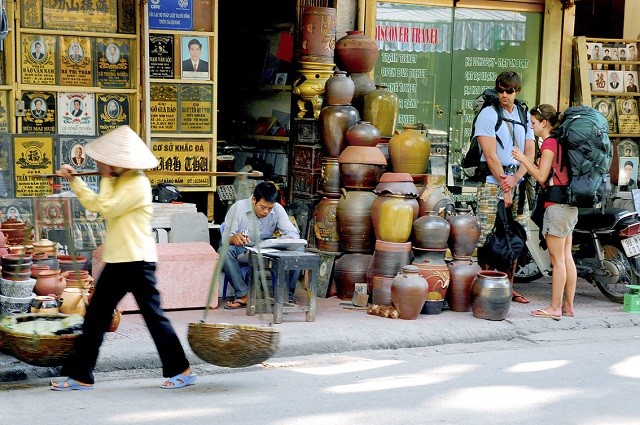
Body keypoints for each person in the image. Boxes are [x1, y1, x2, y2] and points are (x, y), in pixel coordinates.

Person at [50, 125, 195, 391]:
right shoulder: (120, 181)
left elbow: (103, 207)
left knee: (153, 316)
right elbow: (97, 204)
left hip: (137, 261)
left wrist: (103, 177)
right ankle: (81, 375)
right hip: (119, 260)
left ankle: (181, 369)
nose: (102, 164)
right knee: (95, 316)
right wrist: (76, 180)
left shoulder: (137, 183)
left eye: (106, 161)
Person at [473, 70, 535, 304]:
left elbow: (529, 152)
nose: (504, 95)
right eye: (500, 90)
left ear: (517, 90)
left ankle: (508, 286)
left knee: (517, 232)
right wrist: (505, 185)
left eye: (509, 90)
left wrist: (517, 178)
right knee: (487, 234)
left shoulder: (523, 113)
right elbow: (490, 155)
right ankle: (486, 284)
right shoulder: (488, 114)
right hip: (493, 181)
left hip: (516, 180)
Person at [512, 104, 578, 320]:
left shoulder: (550, 144)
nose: (531, 127)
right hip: (569, 205)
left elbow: (541, 176)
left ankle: (555, 307)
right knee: (566, 257)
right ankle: (568, 306)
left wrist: (523, 159)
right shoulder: (563, 141)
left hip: (556, 206)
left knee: (557, 259)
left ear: (544, 123)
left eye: (533, 123)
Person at [222, 181, 301, 309]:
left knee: (299, 248)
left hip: (267, 251)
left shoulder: (277, 209)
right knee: (224, 250)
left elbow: (292, 232)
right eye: (262, 207)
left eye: (270, 208)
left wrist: (288, 238)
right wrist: (234, 238)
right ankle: (243, 295)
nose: (266, 212)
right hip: (245, 251)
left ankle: (287, 297)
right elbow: (226, 237)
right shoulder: (238, 208)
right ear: (254, 200)